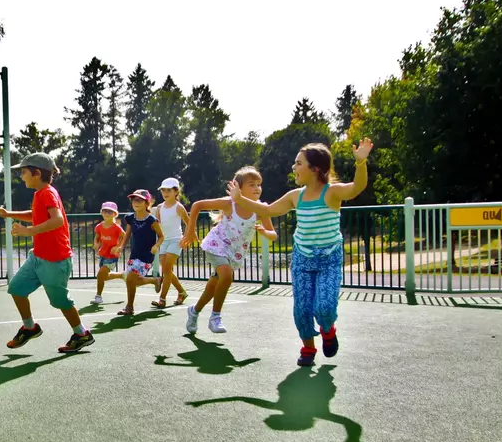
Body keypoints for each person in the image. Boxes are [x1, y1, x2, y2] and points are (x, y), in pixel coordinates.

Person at [228, 139, 374, 366]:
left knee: (324, 307)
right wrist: (240, 199)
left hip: (329, 258)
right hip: (302, 259)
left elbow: (356, 187)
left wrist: (361, 163)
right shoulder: (295, 196)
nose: (293, 168)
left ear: (314, 169)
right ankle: (308, 347)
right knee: (302, 309)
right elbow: (268, 210)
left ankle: (328, 329)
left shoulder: (332, 192)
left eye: (298, 164)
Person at [0, 152, 95, 353]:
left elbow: (57, 220)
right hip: (37, 256)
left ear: (36, 173)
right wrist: (8, 214)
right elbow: (35, 215)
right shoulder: (39, 193)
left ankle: (81, 334)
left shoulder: (48, 192)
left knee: (61, 302)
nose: (21, 177)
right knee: (16, 288)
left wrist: (27, 231)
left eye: (24, 172)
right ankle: (30, 327)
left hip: (55, 259)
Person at [181, 166, 277, 334]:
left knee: (215, 284)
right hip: (216, 244)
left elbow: (273, 235)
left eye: (259, 184)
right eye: (252, 184)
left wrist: (265, 232)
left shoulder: (261, 209)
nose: (257, 188)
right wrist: (190, 231)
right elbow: (197, 205)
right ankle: (215, 317)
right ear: (238, 188)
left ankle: (194, 310)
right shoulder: (228, 203)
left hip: (235, 251)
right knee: (226, 274)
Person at [115, 189, 163, 316]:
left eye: (139, 200)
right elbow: (127, 235)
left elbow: (161, 236)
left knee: (131, 278)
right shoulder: (130, 218)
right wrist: (121, 247)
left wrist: (156, 245)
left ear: (146, 203)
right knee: (131, 280)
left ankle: (129, 307)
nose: (136, 203)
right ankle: (155, 280)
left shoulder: (152, 220)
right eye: (134, 200)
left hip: (146, 256)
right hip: (134, 254)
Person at [151, 177, 189, 308]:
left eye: (168, 190)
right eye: (163, 190)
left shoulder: (179, 207)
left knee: (166, 269)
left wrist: (187, 238)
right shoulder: (159, 207)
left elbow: (188, 224)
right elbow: (159, 224)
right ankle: (182, 292)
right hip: (164, 241)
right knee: (167, 270)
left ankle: (162, 299)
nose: (165, 193)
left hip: (176, 240)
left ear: (176, 191)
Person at [90, 201, 125, 304]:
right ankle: (122, 275)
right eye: (105, 211)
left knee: (100, 274)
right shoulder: (99, 227)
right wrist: (96, 243)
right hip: (103, 254)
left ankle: (98, 296)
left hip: (112, 255)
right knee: (103, 276)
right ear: (101, 213)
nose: (107, 214)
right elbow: (97, 237)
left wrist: (118, 247)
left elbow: (125, 236)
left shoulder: (116, 228)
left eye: (110, 212)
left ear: (115, 214)